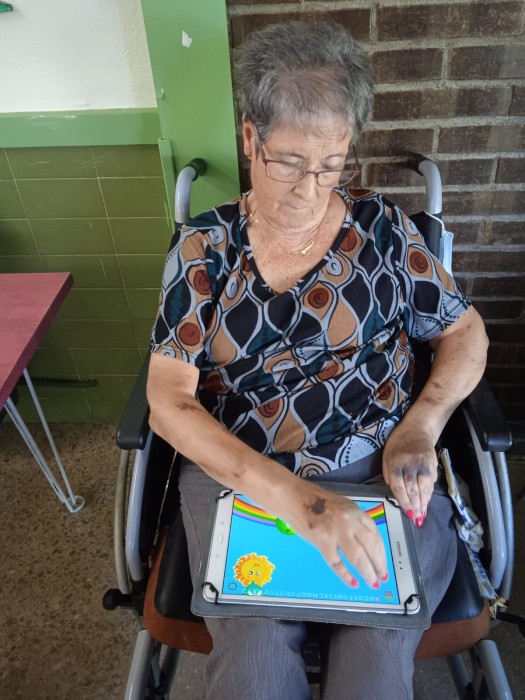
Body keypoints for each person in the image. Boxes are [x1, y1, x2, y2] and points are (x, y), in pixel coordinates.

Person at [147, 21, 488, 699]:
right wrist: (298, 502)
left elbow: (465, 333)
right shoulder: (203, 250)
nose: (310, 189)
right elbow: (168, 401)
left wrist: (420, 427)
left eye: (332, 165)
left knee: (375, 656)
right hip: (243, 476)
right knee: (252, 662)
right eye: (290, 163)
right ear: (251, 139)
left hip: (380, 467)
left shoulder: (383, 230)